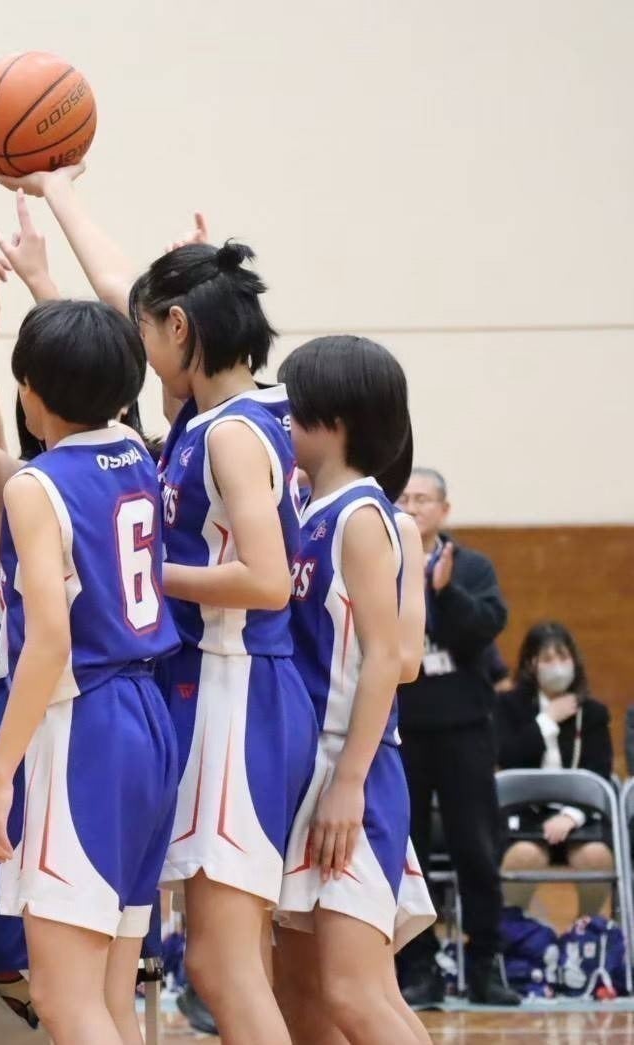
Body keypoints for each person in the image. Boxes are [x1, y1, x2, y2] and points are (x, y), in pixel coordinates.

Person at [0, 299, 178, 1045]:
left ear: (29, 388)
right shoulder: (133, 450)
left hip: (82, 722)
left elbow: (50, 641)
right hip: (146, 715)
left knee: (63, 1001)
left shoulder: (36, 487)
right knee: (112, 997)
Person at [130, 239, 317, 1042]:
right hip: (235, 685)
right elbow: (124, 290)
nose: (140, 353)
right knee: (226, 961)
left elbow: (266, 580)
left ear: (178, 327)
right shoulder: (236, 411)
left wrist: (140, 574)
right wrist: (58, 199)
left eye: (144, 333)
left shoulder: (230, 434)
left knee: (221, 963)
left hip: (238, 685)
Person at [270, 336, 433, 1045]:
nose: (282, 424)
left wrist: (348, 782)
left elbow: (386, 659)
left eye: (293, 410)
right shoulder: (309, 509)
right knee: (301, 996)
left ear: (332, 420)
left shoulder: (362, 517)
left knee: (354, 992)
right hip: (309, 766)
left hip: (350, 764)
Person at [393, 468, 519, 1007]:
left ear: (444, 509)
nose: (413, 506)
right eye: (405, 497)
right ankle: (419, 968)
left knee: (476, 849)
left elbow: (483, 631)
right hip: (403, 730)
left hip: (466, 730)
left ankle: (486, 964)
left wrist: (445, 593)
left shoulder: (471, 567)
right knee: (410, 853)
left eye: (424, 498)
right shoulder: (385, 560)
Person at [495, 621, 615, 918]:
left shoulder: (593, 713)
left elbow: (600, 773)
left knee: (596, 857)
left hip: (577, 816)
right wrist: (546, 721)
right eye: (547, 658)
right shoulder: (508, 707)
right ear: (531, 664)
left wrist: (570, 816)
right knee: (523, 857)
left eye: (563, 657)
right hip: (526, 816)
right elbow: (508, 759)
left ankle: (586, 930)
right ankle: (518, 931)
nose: (557, 666)